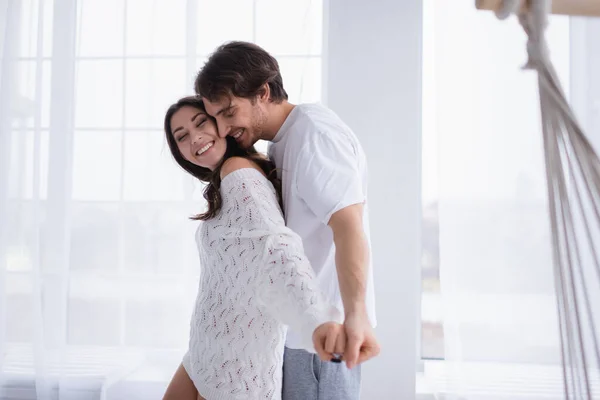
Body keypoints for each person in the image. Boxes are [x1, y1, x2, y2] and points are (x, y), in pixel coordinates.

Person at [195, 41, 379, 400]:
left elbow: (349, 228)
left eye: (229, 112)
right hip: (304, 329)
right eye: (214, 116)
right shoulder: (282, 142)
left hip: (326, 334)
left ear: (263, 92)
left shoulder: (315, 135)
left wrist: (356, 315)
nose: (222, 127)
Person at [161, 96, 346, 400]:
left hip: (236, 362)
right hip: (205, 349)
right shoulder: (224, 182)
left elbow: (277, 245)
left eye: (201, 122)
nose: (194, 137)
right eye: (181, 136)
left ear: (222, 125)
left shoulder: (238, 172)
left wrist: (318, 318)